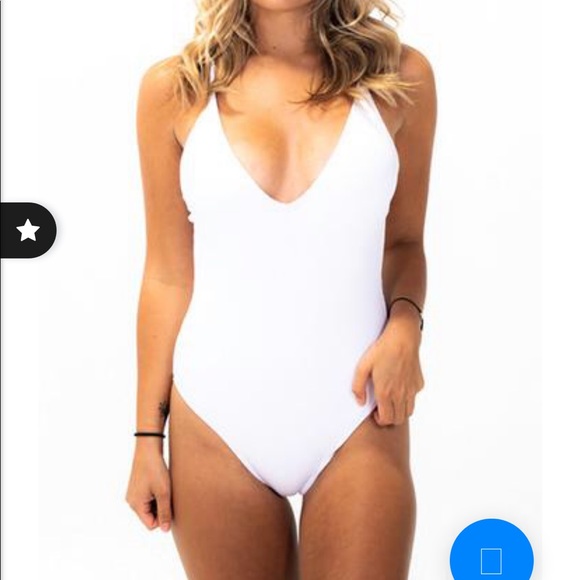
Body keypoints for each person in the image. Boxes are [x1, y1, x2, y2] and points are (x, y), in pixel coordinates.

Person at [125, 0, 437, 578]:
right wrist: (147, 437)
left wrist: (405, 324)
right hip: (216, 417)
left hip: (358, 411)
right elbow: (167, 275)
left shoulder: (401, 78)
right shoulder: (175, 89)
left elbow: (404, 244)